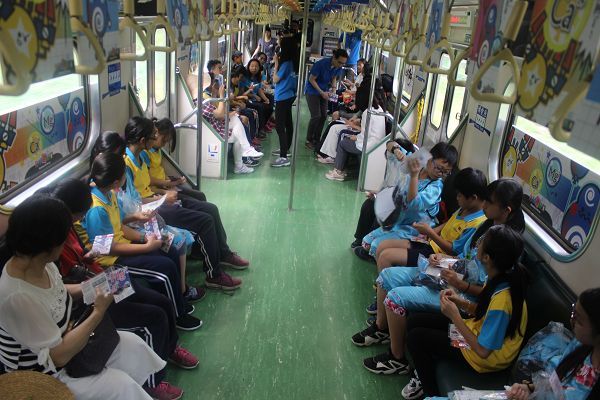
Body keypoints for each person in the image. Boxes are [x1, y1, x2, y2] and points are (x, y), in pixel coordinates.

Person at [353, 179, 525, 377]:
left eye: (490, 202)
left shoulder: (507, 248)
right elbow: (464, 256)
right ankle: (382, 328)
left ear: (506, 210)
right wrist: (444, 260)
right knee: (387, 276)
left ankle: (397, 358)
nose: (484, 205)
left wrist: (461, 286)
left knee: (396, 299)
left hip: (465, 295)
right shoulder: (488, 226)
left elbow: (487, 294)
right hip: (455, 275)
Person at [0, 196, 165, 400]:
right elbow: (58, 357)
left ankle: (146, 386)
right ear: (50, 244)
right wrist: (98, 311)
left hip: (71, 341)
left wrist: (93, 286)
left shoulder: (39, 262)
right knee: (121, 386)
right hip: (47, 374)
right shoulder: (17, 297)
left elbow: (55, 291)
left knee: (133, 345)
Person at [48, 178, 197, 399]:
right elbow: (64, 288)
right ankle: (153, 382)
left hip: (101, 277)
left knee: (163, 303)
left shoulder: (68, 228)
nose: (81, 220)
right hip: (92, 293)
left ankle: (170, 348)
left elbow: (83, 256)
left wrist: (90, 256)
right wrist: (96, 284)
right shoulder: (54, 241)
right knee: (153, 317)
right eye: (79, 216)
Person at [402, 225, 529, 399]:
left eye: (482, 241)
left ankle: (430, 393)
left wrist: (455, 316)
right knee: (414, 321)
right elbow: (485, 311)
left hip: (484, 357)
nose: (478, 243)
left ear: (487, 257)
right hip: (478, 332)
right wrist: (459, 301)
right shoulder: (499, 276)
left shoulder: (503, 300)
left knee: (416, 338)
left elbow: (483, 350)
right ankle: (423, 371)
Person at [81, 152, 202, 331]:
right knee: (165, 267)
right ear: (116, 181)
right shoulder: (97, 210)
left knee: (170, 247)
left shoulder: (109, 194)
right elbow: (107, 249)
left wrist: (144, 235)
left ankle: (178, 301)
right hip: (112, 260)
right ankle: (178, 315)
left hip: (123, 244)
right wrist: (146, 247)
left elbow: (119, 225)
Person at [123, 117, 245, 290]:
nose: (156, 139)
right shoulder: (126, 165)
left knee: (211, 209)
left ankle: (223, 253)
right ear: (143, 141)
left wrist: (164, 193)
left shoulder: (140, 158)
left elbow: (145, 187)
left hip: (155, 200)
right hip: (149, 209)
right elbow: (133, 203)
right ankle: (214, 275)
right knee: (205, 221)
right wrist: (162, 198)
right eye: (153, 136)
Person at [148, 118, 251, 270]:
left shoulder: (154, 151)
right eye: (162, 139)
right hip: (158, 196)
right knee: (208, 214)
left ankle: (214, 249)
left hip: (163, 188)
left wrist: (171, 182)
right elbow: (147, 183)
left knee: (201, 197)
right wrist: (167, 188)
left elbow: (154, 175)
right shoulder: (142, 156)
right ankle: (220, 255)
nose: (162, 143)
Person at [372, 167, 488, 270]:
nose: (457, 198)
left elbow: (454, 251)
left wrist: (430, 232)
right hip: (430, 243)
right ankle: (382, 282)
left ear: (473, 198)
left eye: (459, 195)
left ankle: (383, 284)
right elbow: (450, 222)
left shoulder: (476, 224)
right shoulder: (466, 207)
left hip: (438, 255)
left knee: (385, 257)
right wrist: (431, 232)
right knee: (382, 246)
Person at [358, 142, 458, 259]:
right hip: (399, 219)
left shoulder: (436, 187)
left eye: (446, 172)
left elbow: (414, 203)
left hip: (415, 228)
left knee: (375, 246)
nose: (440, 174)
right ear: (429, 159)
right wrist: (396, 150)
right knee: (366, 242)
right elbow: (390, 144)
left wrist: (414, 176)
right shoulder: (416, 164)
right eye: (439, 168)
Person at [506, 288, 600, 400]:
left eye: (579, 320)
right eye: (573, 313)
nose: (572, 321)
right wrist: (528, 389)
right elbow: (556, 383)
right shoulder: (579, 346)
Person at [350, 139, 417, 249]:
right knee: (368, 205)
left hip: (403, 208)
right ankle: (360, 238)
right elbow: (390, 143)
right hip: (391, 200)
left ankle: (369, 245)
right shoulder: (393, 164)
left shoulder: (411, 170)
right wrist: (377, 194)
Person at [203, 75, 263, 173]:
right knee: (236, 120)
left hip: (216, 125)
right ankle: (246, 151)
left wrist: (215, 93)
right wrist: (221, 96)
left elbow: (215, 109)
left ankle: (242, 159)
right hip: (212, 130)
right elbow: (220, 115)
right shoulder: (203, 97)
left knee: (238, 133)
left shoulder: (209, 95)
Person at [323, 91, 387, 181]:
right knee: (347, 141)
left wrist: (356, 138)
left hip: (369, 145)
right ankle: (341, 169)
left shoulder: (367, 112)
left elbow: (365, 134)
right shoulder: (379, 109)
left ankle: (338, 171)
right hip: (377, 143)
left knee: (343, 143)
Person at [304, 49, 348, 150]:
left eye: (343, 63)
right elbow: (311, 79)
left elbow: (333, 78)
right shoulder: (321, 64)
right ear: (334, 58)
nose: (341, 65)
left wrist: (334, 89)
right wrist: (321, 92)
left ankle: (317, 139)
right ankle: (309, 139)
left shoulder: (338, 67)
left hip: (324, 91)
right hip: (312, 91)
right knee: (316, 116)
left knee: (324, 115)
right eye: (340, 62)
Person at [271, 36, 299, 168]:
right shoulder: (294, 62)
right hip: (290, 94)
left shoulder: (286, 63)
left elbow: (275, 79)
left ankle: (283, 157)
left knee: (280, 126)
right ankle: (285, 149)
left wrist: (276, 63)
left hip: (282, 95)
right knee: (288, 123)